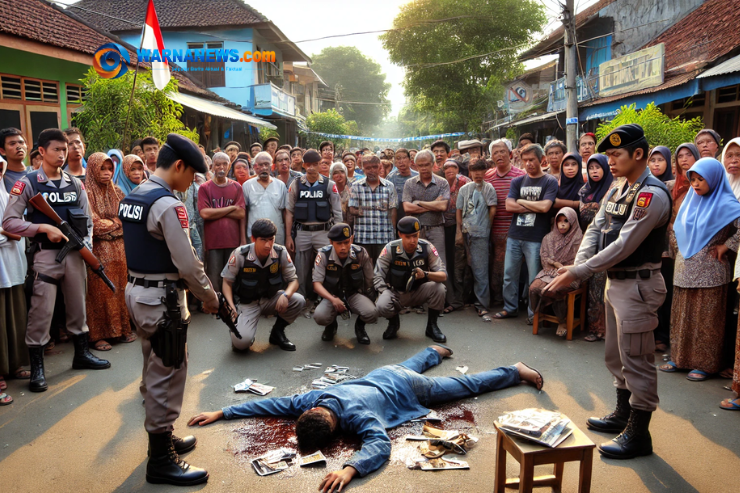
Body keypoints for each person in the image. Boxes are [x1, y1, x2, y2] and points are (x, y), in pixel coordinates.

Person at [187, 345, 543, 493]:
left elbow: (379, 444)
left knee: (463, 386)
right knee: (405, 366)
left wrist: (349, 469)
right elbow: (275, 404)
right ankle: (433, 350)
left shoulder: (356, 417)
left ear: (334, 426)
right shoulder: (314, 399)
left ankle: (514, 370)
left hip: (410, 389)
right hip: (385, 373)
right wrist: (223, 411)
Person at [546, 124, 671, 460]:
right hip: (616, 283)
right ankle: (622, 413)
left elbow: (625, 243)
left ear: (639, 154)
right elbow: (596, 229)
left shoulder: (651, 195)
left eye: (617, 155)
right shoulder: (618, 188)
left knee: (637, 360)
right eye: (609, 154)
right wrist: (578, 265)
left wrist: (581, 270)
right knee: (616, 356)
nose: (609, 161)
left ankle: (639, 434)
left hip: (639, 285)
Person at [119, 133, 219, 486]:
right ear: (179, 166)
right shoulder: (166, 204)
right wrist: (209, 296)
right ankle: (160, 459)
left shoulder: (135, 195)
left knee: (152, 365)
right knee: (168, 370)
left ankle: (163, 435)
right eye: (192, 174)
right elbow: (188, 264)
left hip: (138, 292)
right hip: (163, 298)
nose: (192, 182)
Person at [2, 128, 110, 393]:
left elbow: (87, 220)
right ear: (41, 151)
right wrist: (41, 229)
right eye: (57, 150)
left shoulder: (75, 184)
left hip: (74, 255)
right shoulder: (27, 183)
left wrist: (85, 247)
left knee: (77, 306)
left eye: (65, 149)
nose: (62, 154)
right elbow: (9, 221)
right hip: (46, 255)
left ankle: (81, 354)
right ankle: (37, 369)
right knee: (41, 311)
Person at [658, 158, 740, 382]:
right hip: (684, 268)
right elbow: (676, 227)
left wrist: (727, 245)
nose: (695, 183)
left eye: (700, 179)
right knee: (682, 314)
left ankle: (705, 364)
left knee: (707, 319)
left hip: (711, 271)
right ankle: (680, 358)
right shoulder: (689, 202)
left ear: (713, 178)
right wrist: (677, 247)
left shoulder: (727, 204)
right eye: (692, 179)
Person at [220, 218, 305, 352]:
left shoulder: (280, 252)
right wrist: (231, 307)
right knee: (241, 344)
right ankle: (241, 331)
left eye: (271, 239)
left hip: (271, 299)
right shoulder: (240, 254)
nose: (268, 245)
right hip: (247, 303)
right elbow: (227, 282)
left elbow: (294, 280)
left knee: (298, 300)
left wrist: (286, 295)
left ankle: (277, 332)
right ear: (253, 238)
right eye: (263, 240)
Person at [496, 144, 558, 321]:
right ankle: (510, 308)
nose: (528, 164)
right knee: (509, 275)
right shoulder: (518, 181)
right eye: (525, 161)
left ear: (541, 160)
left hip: (536, 237)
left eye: (532, 160)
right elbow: (509, 206)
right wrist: (534, 206)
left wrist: (521, 202)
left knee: (534, 279)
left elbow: (546, 207)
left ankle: (533, 313)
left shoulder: (549, 181)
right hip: (515, 235)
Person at [84, 153, 134, 351]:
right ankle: (99, 336)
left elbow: (128, 220)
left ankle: (121, 329)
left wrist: (112, 224)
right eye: (102, 169)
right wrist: (116, 223)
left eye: (109, 169)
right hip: (97, 249)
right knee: (100, 292)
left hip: (120, 249)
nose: (106, 173)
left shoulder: (118, 192)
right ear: (93, 169)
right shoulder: (86, 192)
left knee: (121, 288)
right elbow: (94, 226)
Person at [374, 216, 448, 343]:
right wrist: (384, 291)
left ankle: (432, 326)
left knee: (439, 288)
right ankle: (393, 323)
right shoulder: (390, 248)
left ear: (419, 233)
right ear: (400, 234)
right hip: (396, 293)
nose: (412, 240)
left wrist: (425, 274)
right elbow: (377, 275)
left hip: (419, 291)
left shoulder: (426, 247)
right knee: (382, 305)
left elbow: (443, 275)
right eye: (408, 237)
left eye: (415, 236)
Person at [285, 149, 343, 299]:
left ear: (320, 165)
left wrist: (338, 236)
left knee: (325, 265)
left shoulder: (329, 184)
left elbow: (337, 213)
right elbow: (289, 211)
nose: (312, 168)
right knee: (301, 268)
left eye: (315, 164)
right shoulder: (296, 184)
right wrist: (288, 236)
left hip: (323, 232)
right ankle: (301, 299)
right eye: (308, 164)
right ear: (304, 165)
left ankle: (324, 298)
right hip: (302, 232)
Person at [312, 223, 377, 344]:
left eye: (346, 242)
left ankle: (360, 327)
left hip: (353, 294)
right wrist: (333, 299)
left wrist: (371, 299)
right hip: (332, 295)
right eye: (339, 243)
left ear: (351, 239)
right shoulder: (323, 255)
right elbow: (317, 284)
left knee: (372, 312)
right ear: (331, 242)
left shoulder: (360, 253)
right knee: (320, 316)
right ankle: (331, 326)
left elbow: (369, 279)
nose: (343, 247)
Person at [0, 157, 30, 405]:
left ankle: (16, 363)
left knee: (16, 314)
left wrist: (8, 232)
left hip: (12, 265)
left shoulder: (7, 195)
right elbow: (14, 232)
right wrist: (8, 233)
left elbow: (19, 228)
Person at [529, 207, 583, 337]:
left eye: (566, 220)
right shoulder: (548, 238)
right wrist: (555, 264)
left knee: (554, 290)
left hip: (571, 274)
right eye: (559, 221)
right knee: (533, 288)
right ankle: (538, 313)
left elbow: (581, 263)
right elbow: (544, 259)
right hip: (549, 272)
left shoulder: (579, 240)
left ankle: (562, 321)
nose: (562, 224)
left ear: (573, 222)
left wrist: (565, 268)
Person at [485, 140, 526, 307]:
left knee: (514, 268)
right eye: (495, 153)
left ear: (510, 153)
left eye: (502, 151)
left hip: (515, 229)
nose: (499, 155)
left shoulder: (521, 175)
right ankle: (498, 299)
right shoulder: (487, 176)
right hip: (493, 229)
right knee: (496, 266)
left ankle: (516, 300)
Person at [197, 152, 246, 292]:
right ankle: (216, 304)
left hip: (233, 239)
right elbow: (205, 213)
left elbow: (241, 213)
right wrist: (231, 208)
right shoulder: (205, 187)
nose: (221, 167)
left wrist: (216, 212)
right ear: (212, 167)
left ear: (229, 166)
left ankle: (230, 303)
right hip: (213, 240)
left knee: (231, 274)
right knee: (214, 274)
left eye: (225, 164)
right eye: (218, 165)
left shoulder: (236, 187)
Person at [577, 154, 613, 342]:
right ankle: (594, 327)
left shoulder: (613, 189)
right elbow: (584, 216)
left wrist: (593, 209)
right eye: (591, 168)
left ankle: (605, 329)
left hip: (608, 246)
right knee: (592, 288)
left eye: (598, 167)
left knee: (602, 288)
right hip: (589, 242)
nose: (594, 171)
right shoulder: (585, 190)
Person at [456, 158, 497, 320]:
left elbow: (492, 209)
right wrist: (460, 229)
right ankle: (463, 300)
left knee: (481, 269)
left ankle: (482, 304)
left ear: (485, 171)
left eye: (481, 170)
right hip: (466, 232)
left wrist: (486, 227)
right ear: (470, 172)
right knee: (462, 267)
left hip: (481, 235)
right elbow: (459, 210)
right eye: (474, 171)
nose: (477, 174)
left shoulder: (489, 188)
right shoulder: (464, 189)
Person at [402, 149, 450, 268]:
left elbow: (443, 206)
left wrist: (418, 202)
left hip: (436, 228)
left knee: (439, 264)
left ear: (433, 163)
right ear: (416, 165)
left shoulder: (442, 183)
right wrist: (434, 204)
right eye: (420, 165)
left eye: (427, 164)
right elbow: (407, 208)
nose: (423, 168)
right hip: (415, 231)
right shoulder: (410, 183)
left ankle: (440, 287)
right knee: (417, 263)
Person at [648, 146, 675, 351]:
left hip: (668, 251)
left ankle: (663, 336)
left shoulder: (676, 185)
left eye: (660, 160)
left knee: (664, 294)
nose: (656, 164)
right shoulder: (645, 185)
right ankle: (650, 334)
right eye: (653, 160)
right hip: (648, 248)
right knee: (648, 294)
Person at [349, 154, 397, 261]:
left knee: (383, 269)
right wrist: (361, 211)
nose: (371, 170)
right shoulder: (356, 186)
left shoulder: (389, 186)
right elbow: (351, 209)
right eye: (368, 168)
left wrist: (393, 234)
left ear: (380, 167)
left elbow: (393, 210)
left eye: (375, 167)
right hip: (363, 236)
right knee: (365, 271)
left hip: (384, 236)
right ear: (363, 169)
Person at [441, 159, 470, 313]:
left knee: (459, 264)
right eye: (446, 167)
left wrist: (460, 230)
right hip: (443, 227)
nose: (450, 169)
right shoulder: (440, 182)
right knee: (447, 263)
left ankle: (460, 299)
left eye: (453, 166)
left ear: (459, 169)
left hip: (462, 227)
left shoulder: (465, 182)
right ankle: (449, 298)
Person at [243, 151, 288, 246]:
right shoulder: (247, 185)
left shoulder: (280, 185)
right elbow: (244, 213)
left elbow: (285, 213)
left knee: (276, 260)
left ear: (272, 166)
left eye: (266, 164)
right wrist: (243, 238)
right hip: (254, 236)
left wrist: (288, 236)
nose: (264, 168)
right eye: (260, 165)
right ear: (255, 167)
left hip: (277, 236)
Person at [386, 148, 418, 222]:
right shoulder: (390, 178)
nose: (401, 161)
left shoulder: (417, 176)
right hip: (397, 215)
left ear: (410, 160)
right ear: (395, 162)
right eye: (398, 158)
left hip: (415, 214)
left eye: (404, 158)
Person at [0, 128, 28, 193]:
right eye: (12, 144)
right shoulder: (2, 178)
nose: (18, 146)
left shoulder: (38, 174)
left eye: (21, 142)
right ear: (2, 151)